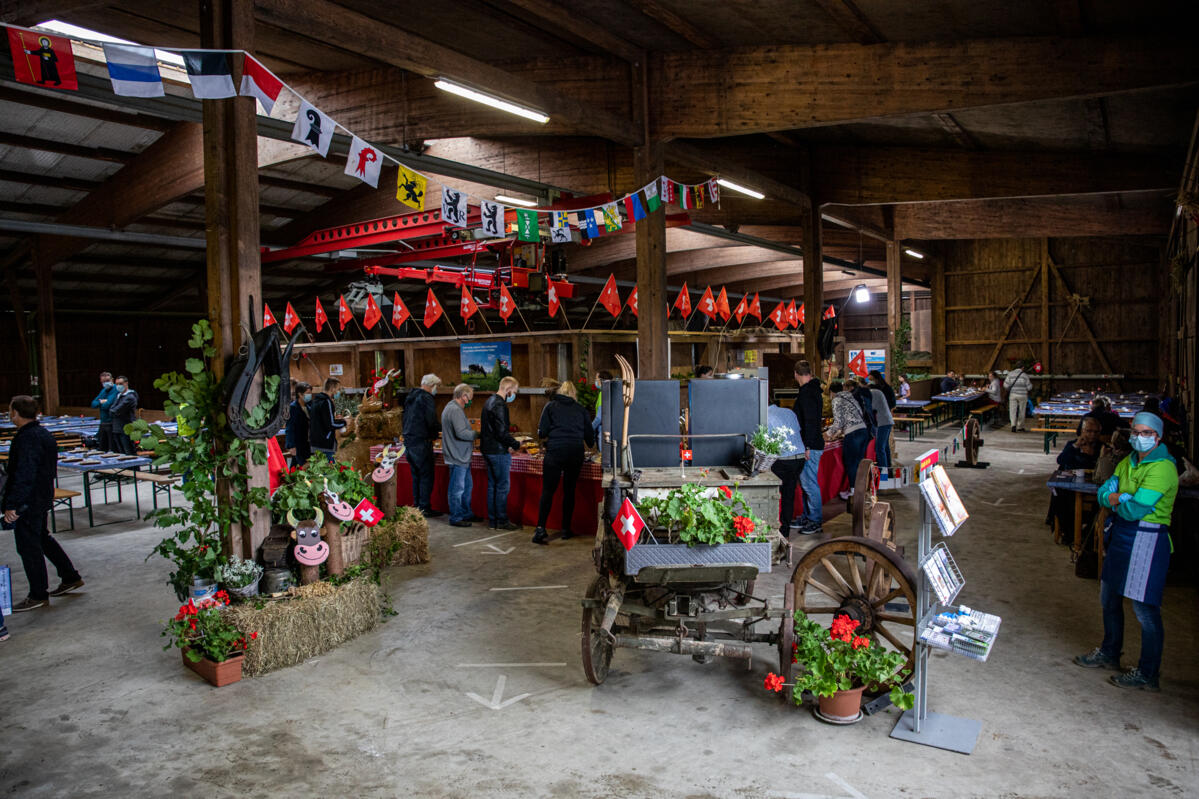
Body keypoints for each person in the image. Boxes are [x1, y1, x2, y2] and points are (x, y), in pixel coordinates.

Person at [1074, 412, 1178, 691]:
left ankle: (1148, 672)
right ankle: (1110, 652)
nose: (1139, 437)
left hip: (1147, 540)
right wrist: (1116, 497)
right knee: (1109, 597)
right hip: (1121, 536)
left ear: (1157, 437)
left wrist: (1116, 501)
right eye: (1136, 432)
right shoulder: (1128, 462)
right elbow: (1103, 490)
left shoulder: (1164, 468)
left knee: (1144, 609)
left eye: (1146, 433)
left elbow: (1136, 509)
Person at [1, 395, 84, 612]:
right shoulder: (42, 433)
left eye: (11, 411)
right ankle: (69, 576)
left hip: (29, 501)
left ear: (16, 413)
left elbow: (24, 474)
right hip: (41, 496)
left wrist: (13, 504)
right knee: (41, 538)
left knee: (28, 546)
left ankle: (38, 593)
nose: (10, 415)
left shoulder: (28, 438)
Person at [532, 380, 595, 545]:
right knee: (569, 491)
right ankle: (566, 529)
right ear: (574, 394)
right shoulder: (581, 410)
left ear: (560, 392)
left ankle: (540, 528)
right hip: (575, 453)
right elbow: (589, 438)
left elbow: (542, 432)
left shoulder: (550, 407)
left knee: (548, 491)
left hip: (555, 452)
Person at [1048, 417, 1103, 544]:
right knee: (1060, 496)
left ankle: (1087, 533)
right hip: (1071, 485)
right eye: (1089, 431)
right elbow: (1061, 461)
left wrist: (1096, 456)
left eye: (1096, 432)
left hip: (1093, 487)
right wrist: (1076, 446)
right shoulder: (1073, 445)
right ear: (1082, 431)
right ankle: (1070, 533)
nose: (1092, 435)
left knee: (1101, 502)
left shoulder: (1102, 448)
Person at [481, 377, 521, 531]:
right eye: (514, 391)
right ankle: (502, 520)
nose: (514, 394)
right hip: (497, 451)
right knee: (503, 487)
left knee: (493, 486)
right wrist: (515, 444)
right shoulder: (499, 405)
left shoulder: (488, 401)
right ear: (508, 389)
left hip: (487, 450)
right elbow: (501, 432)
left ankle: (493, 520)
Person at [792, 360, 825, 534]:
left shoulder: (807, 393)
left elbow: (810, 422)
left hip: (811, 445)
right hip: (811, 443)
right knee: (806, 483)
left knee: (809, 483)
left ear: (796, 374)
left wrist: (808, 446)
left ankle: (815, 520)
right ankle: (807, 516)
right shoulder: (813, 390)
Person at [403, 374, 442, 518]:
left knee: (416, 476)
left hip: (409, 442)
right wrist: (437, 433)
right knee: (426, 476)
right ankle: (425, 507)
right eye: (436, 386)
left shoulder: (411, 397)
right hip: (421, 442)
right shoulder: (426, 398)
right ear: (432, 386)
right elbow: (430, 421)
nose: (437, 389)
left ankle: (417, 505)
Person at [441, 384, 479, 528]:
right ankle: (456, 517)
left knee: (466, 487)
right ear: (463, 396)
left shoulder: (452, 408)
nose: (470, 400)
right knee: (457, 489)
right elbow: (461, 433)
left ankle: (466, 512)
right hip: (458, 456)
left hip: (461, 456)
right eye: (470, 397)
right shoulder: (455, 410)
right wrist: (478, 434)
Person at [827, 379, 870, 500]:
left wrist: (828, 434)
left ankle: (853, 492)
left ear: (831, 392)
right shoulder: (850, 397)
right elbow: (859, 413)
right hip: (863, 431)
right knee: (859, 463)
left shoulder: (836, 400)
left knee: (851, 464)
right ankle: (860, 490)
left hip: (853, 434)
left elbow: (838, 421)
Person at [767, 403, 805, 538]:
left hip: (782, 458)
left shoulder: (764, 415)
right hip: (799, 456)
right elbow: (798, 431)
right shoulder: (789, 412)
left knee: (772, 493)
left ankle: (771, 528)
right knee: (789, 494)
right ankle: (785, 530)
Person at [308, 378, 346, 462]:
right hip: (325, 444)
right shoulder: (327, 401)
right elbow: (330, 424)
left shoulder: (316, 400)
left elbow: (323, 420)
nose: (338, 391)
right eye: (338, 389)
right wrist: (344, 422)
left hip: (315, 443)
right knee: (329, 472)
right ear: (332, 388)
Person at [109, 375, 139, 454]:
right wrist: (112, 410)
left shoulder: (130, 397)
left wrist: (113, 411)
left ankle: (133, 467)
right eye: (117, 384)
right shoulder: (119, 395)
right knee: (121, 452)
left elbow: (117, 410)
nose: (118, 386)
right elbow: (111, 409)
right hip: (117, 428)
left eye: (121, 383)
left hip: (126, 428)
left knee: (129, 452)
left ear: (126, 383)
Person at [284, 381, 312, 468]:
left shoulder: (309, 407)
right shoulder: (293, 408)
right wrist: (291, 445)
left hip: (307, 443)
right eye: (308, 393)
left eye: (310, 393)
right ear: (300, 394)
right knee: (298, 465)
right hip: (298, 443)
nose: (310, 395)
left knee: (305, 465)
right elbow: (290, 427)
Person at [90, 371, 118, 451]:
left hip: (112, 423)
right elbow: (93, 404)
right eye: (103, 382)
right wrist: (101, 402)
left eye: (107, 381)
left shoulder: (115, 389)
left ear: (112, 380)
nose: (106, 383)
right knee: (102, 447)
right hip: (103, 422)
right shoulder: (103, 391)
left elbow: (108, 405)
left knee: (112, 448)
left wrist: (102, 403)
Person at [868, 381, 894, 469]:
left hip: (883, 423)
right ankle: (888, 470)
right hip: (886, 422)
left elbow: (871, 408)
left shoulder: (873, 393)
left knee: (879, 448)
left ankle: (883, 473)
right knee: (885, 447)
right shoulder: (878, 392)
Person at [1003, 365, 1032, 432]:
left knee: (1012, 410)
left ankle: (1013, 425)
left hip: (1013, 395)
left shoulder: (1010, 374)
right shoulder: (1025, 375)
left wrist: (1010, 388)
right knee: (1022, 411)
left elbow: (1005, 385)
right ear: (1022, 367)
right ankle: (1020, 426)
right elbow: (1029, 387)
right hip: (1022, 395)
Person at [592, 369, 612, 447]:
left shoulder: (602, 394)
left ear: (601, 380)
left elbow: (599, 418)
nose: (595, 381)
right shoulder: (610, 392)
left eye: (596, 379)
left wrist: (590, 428)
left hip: (603, 431)